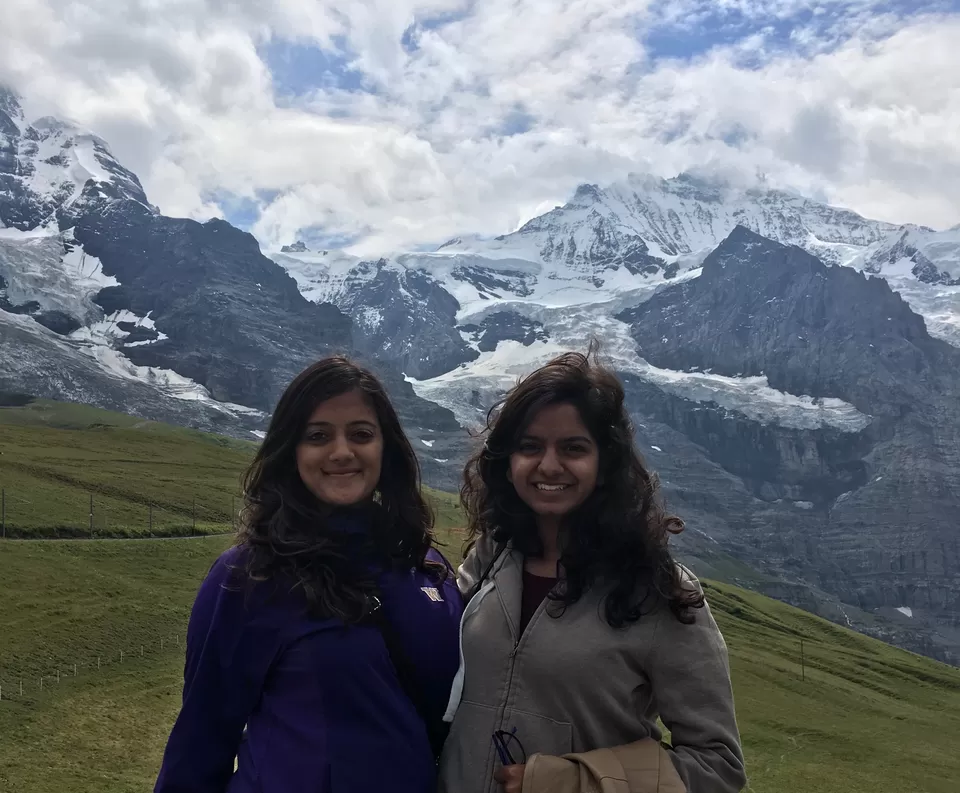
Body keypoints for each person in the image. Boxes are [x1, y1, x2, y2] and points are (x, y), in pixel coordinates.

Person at [438, 350, 746, 793]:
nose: (548, 465)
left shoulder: (657, 592)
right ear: (507, 461)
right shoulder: (492, 558)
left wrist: (573, 782)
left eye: (573, 448)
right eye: (529, 447)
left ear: (605, 464)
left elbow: (718, 767)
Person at [155, 356, 464, 793]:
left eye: (361, 434)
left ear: (385, 447)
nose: (342, 452)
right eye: (318, 436)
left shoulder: (423, 565)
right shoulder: (249, 576)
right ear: (291, 451)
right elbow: (201, 739)